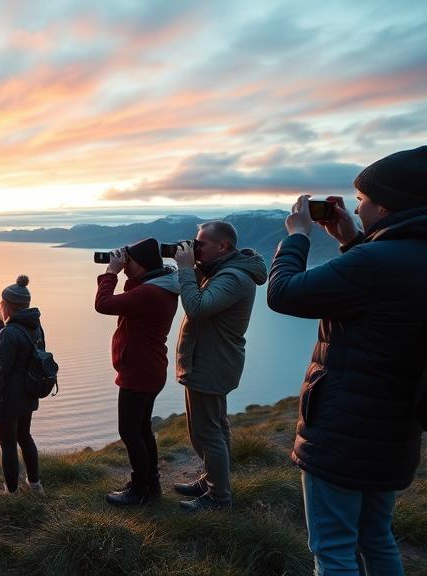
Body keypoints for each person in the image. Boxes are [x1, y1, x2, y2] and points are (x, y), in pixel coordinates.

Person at [267, 146, 427, 575]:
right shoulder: (405, 255)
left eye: (362, 199)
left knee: (334, 549)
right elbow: (383, 296)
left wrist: (297, 236)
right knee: (376, 537)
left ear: (387, 205)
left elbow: (283, 293)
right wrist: (351, 240)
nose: (356, 208)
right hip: (395, 429)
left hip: (343, 432)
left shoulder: (374, 262)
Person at [172, 220, 267, 511]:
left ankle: (218, 498)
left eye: (201, 244)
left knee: (206, 434)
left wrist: (186, 269)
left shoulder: (234, 277)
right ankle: (212, 481)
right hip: (210, 360)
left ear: (223, 246)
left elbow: (197, 308)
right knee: (215, 427)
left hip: (212, 363)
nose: (196, 248)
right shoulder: (223, 271)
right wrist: (193, 265)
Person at [94, 239, 180, 506]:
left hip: (139, 370)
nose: (123, 263)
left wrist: (111, 272)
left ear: (140, 265)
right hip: (148, 367)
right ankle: (150, 485)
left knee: (130, 431)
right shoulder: (158, 286)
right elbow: (130, 296)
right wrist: (126, 271)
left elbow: (104, 304)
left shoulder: (150, 293)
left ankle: (140, 489)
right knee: (142, 429)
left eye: (128, 260)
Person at [0, 275, 46, 496]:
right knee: (25, 436)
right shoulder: (35, 326)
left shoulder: (10, 332)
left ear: (8, 305)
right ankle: (35, 484)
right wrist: (0, 332)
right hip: (28, 393)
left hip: (9, 398)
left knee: (8, 444)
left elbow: (1, 368)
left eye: (2, 303)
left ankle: (11, 492)